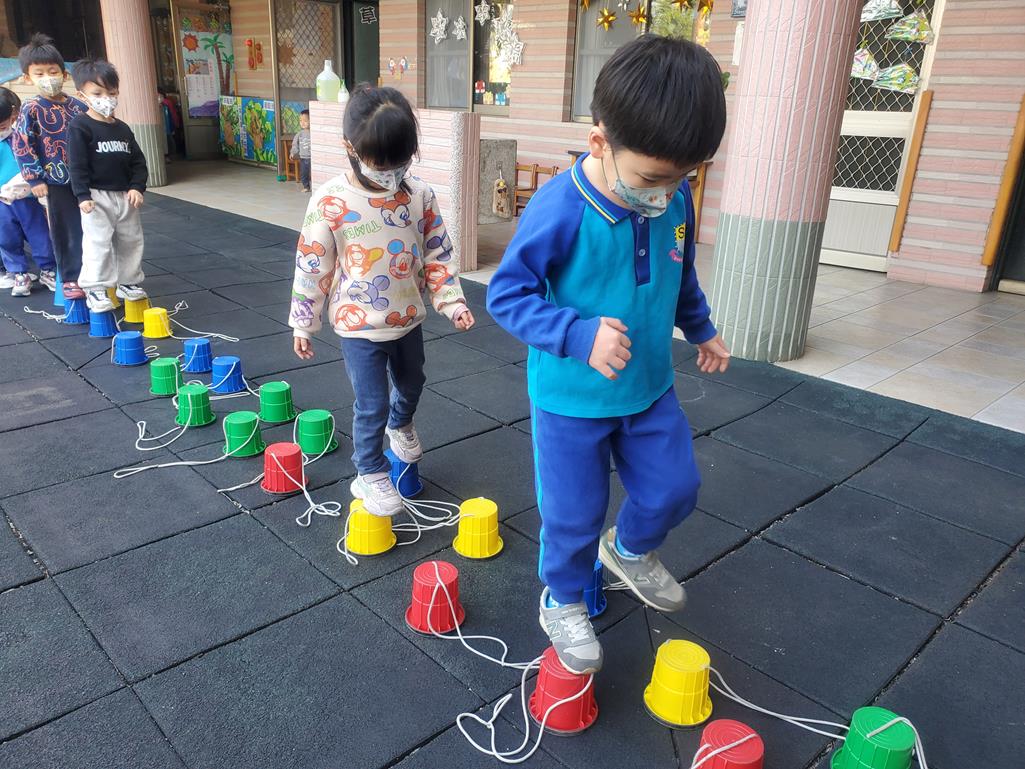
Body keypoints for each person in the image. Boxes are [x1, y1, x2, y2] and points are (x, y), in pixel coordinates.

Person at [486, 35, 731, 675]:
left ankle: (628, 550)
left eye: (683, 177)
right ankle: (563, 598)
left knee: (676, 488)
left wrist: (700, 328)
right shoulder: (560, 207)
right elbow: (506, 295)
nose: (666, 192)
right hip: (571, 399)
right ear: (599, 143)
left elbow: (679, 271)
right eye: (652, 178)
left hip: (648, 388)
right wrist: (576, 334)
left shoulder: (673, 197)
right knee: (572, 516)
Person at [288, 85, 474, 516]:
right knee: (371, 403)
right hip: (358, 326)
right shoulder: (331, 202)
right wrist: (303, 321)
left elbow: (437, 253)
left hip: (407, 318)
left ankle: (401, 423)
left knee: (412, 384)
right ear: (350, 148)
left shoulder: (419, 196)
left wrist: (452, 302)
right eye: (381, 164)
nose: (392, 173)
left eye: (401, 162)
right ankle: (369, 470)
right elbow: (313, 264)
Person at [68, 59, 148, 312]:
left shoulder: (122, 128)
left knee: (130, 239)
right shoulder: (80, 126)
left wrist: (137, 187)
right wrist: (82, 195)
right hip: (96, 196)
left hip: (125, 196)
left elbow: (138, 161)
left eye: (111, 93)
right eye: (97, 93)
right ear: (81, 95)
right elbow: (77, 164)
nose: (106, 99)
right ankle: (96, 287)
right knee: (98, 241)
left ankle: (128, 281)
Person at [12, 33, 87, 299]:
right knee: (66, 230)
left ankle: (97, 273)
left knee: (93, 227)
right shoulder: (31, 108)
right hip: (56, 182)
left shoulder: (78, 107)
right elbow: (22, 144)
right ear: (27, 78)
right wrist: (35, 178)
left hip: (86, 179)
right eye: (40, 73)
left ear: (64, 74)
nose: (48, 77)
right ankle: (71, 277)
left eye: (53, 72)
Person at [0, 87, 55, 297]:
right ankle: (18, 273)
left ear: (12, 116)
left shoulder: (20, 138)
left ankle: (48, 269)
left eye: (2, 126)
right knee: (6, 237)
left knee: (39, 234)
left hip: (26, 197)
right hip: (2, 201)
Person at [290, 109, 312, 193]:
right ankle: (306, 186)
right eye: (300, 120)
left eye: (305, 121)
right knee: (304, 173)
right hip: (303, 158)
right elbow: (295, 144)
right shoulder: (299, 134)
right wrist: (293, 152)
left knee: (314, 173)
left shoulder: (313, 133)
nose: (302, 123)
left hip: (312, 157)